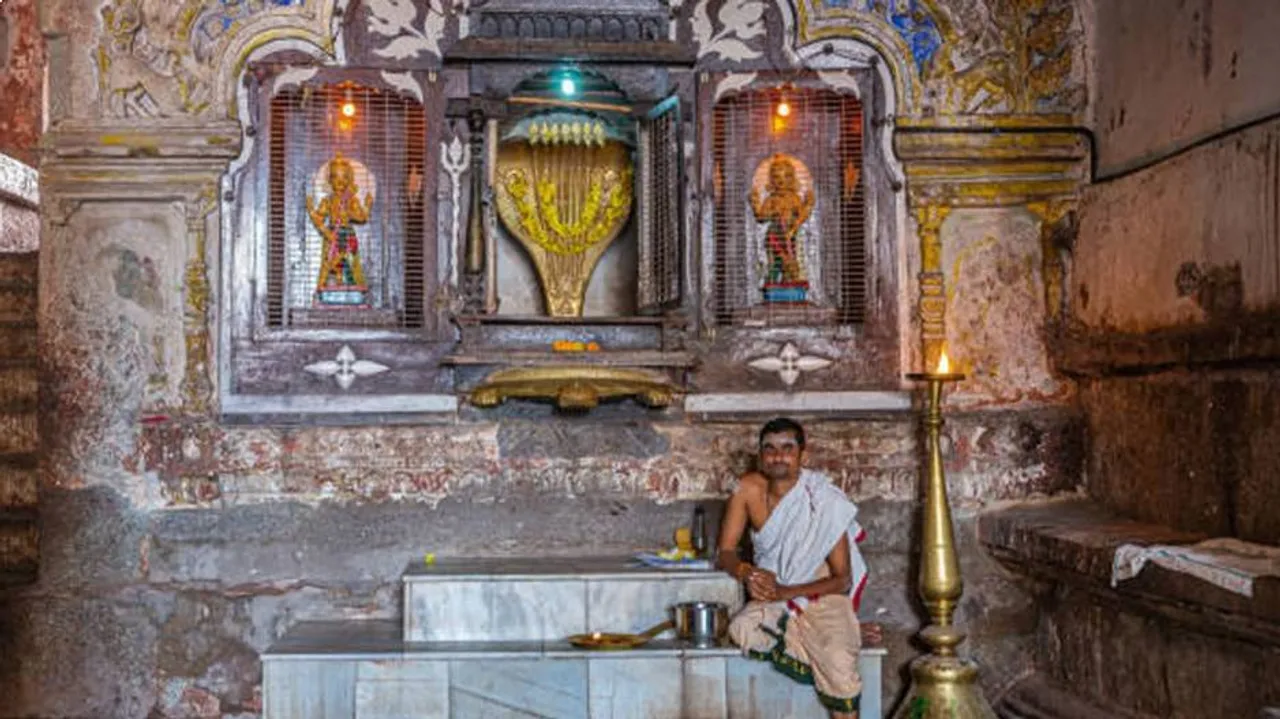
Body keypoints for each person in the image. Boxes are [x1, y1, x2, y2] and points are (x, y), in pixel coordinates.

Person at [718, 417, 868, 719]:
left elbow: (842, 580)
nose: (778, 456)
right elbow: (725, 553)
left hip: (820, 591)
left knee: (838, 659)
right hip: (772, 589)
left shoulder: (822, 500)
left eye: (788, 448)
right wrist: (748, 573)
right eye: (770, 449)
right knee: (742, 627)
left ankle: (841, 635)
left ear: (803, 455)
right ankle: (837, 634)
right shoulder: (747, 489)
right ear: (761, 456)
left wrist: (787, 591)